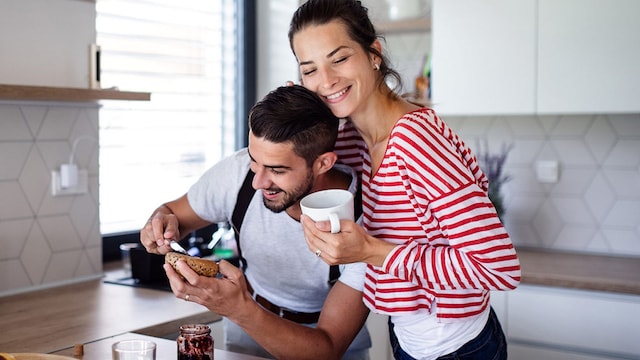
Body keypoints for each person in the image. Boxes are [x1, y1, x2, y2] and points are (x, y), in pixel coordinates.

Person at [289, 1, 522, 359]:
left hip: (458, 348)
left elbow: (498, 267)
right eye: (310, 70)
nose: (326, 80)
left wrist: (371, 251)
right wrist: (293, 116)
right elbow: (300, 174)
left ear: (374, 54)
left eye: (339, 58)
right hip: (406, 337)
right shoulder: (352, 137)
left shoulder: (416, 142)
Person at [140, 85, 371, 360]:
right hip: (246, 333)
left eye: (277, 170)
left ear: (323, 163)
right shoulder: (238, 174)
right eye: (254, 162)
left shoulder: (366, 221)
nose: (258, 182)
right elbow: (171, 213)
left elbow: (327, 348)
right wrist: (159, 223)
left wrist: (237, 309)